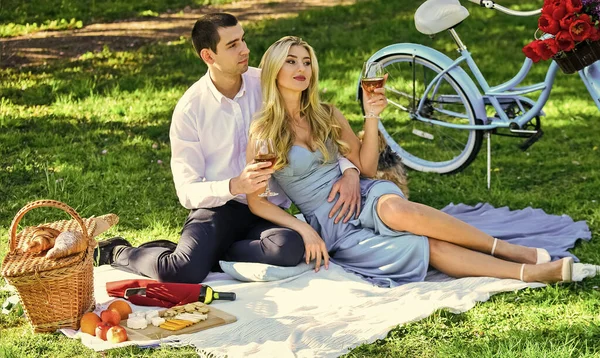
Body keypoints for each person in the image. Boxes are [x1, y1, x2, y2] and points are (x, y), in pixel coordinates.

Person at [245, 35, 573, 286]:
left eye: (306, 62)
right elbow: (257, 202)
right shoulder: (264, 132)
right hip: (332, 225)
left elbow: (368, 169)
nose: (301, 69)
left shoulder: (327, 114)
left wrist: (371, 117)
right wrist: (304, 229)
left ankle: (510, 249)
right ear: (274, 69)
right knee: (425, 246)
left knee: (394, 209)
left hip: (365, 193)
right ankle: (530, 273)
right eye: (291, 62)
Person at [94, 14, 363, 284]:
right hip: (218, 209)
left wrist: (349, 169)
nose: (245, 49)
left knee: (290, 247)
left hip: (267, 208)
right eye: (233, 45)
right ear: (208, 56)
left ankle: (211, 253)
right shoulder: (191, 109)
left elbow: (317, 124)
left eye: (243, 39)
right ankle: (118, 251)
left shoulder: (269, 83)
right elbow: (187, 191)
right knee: (180, 271)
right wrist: (234, 185)